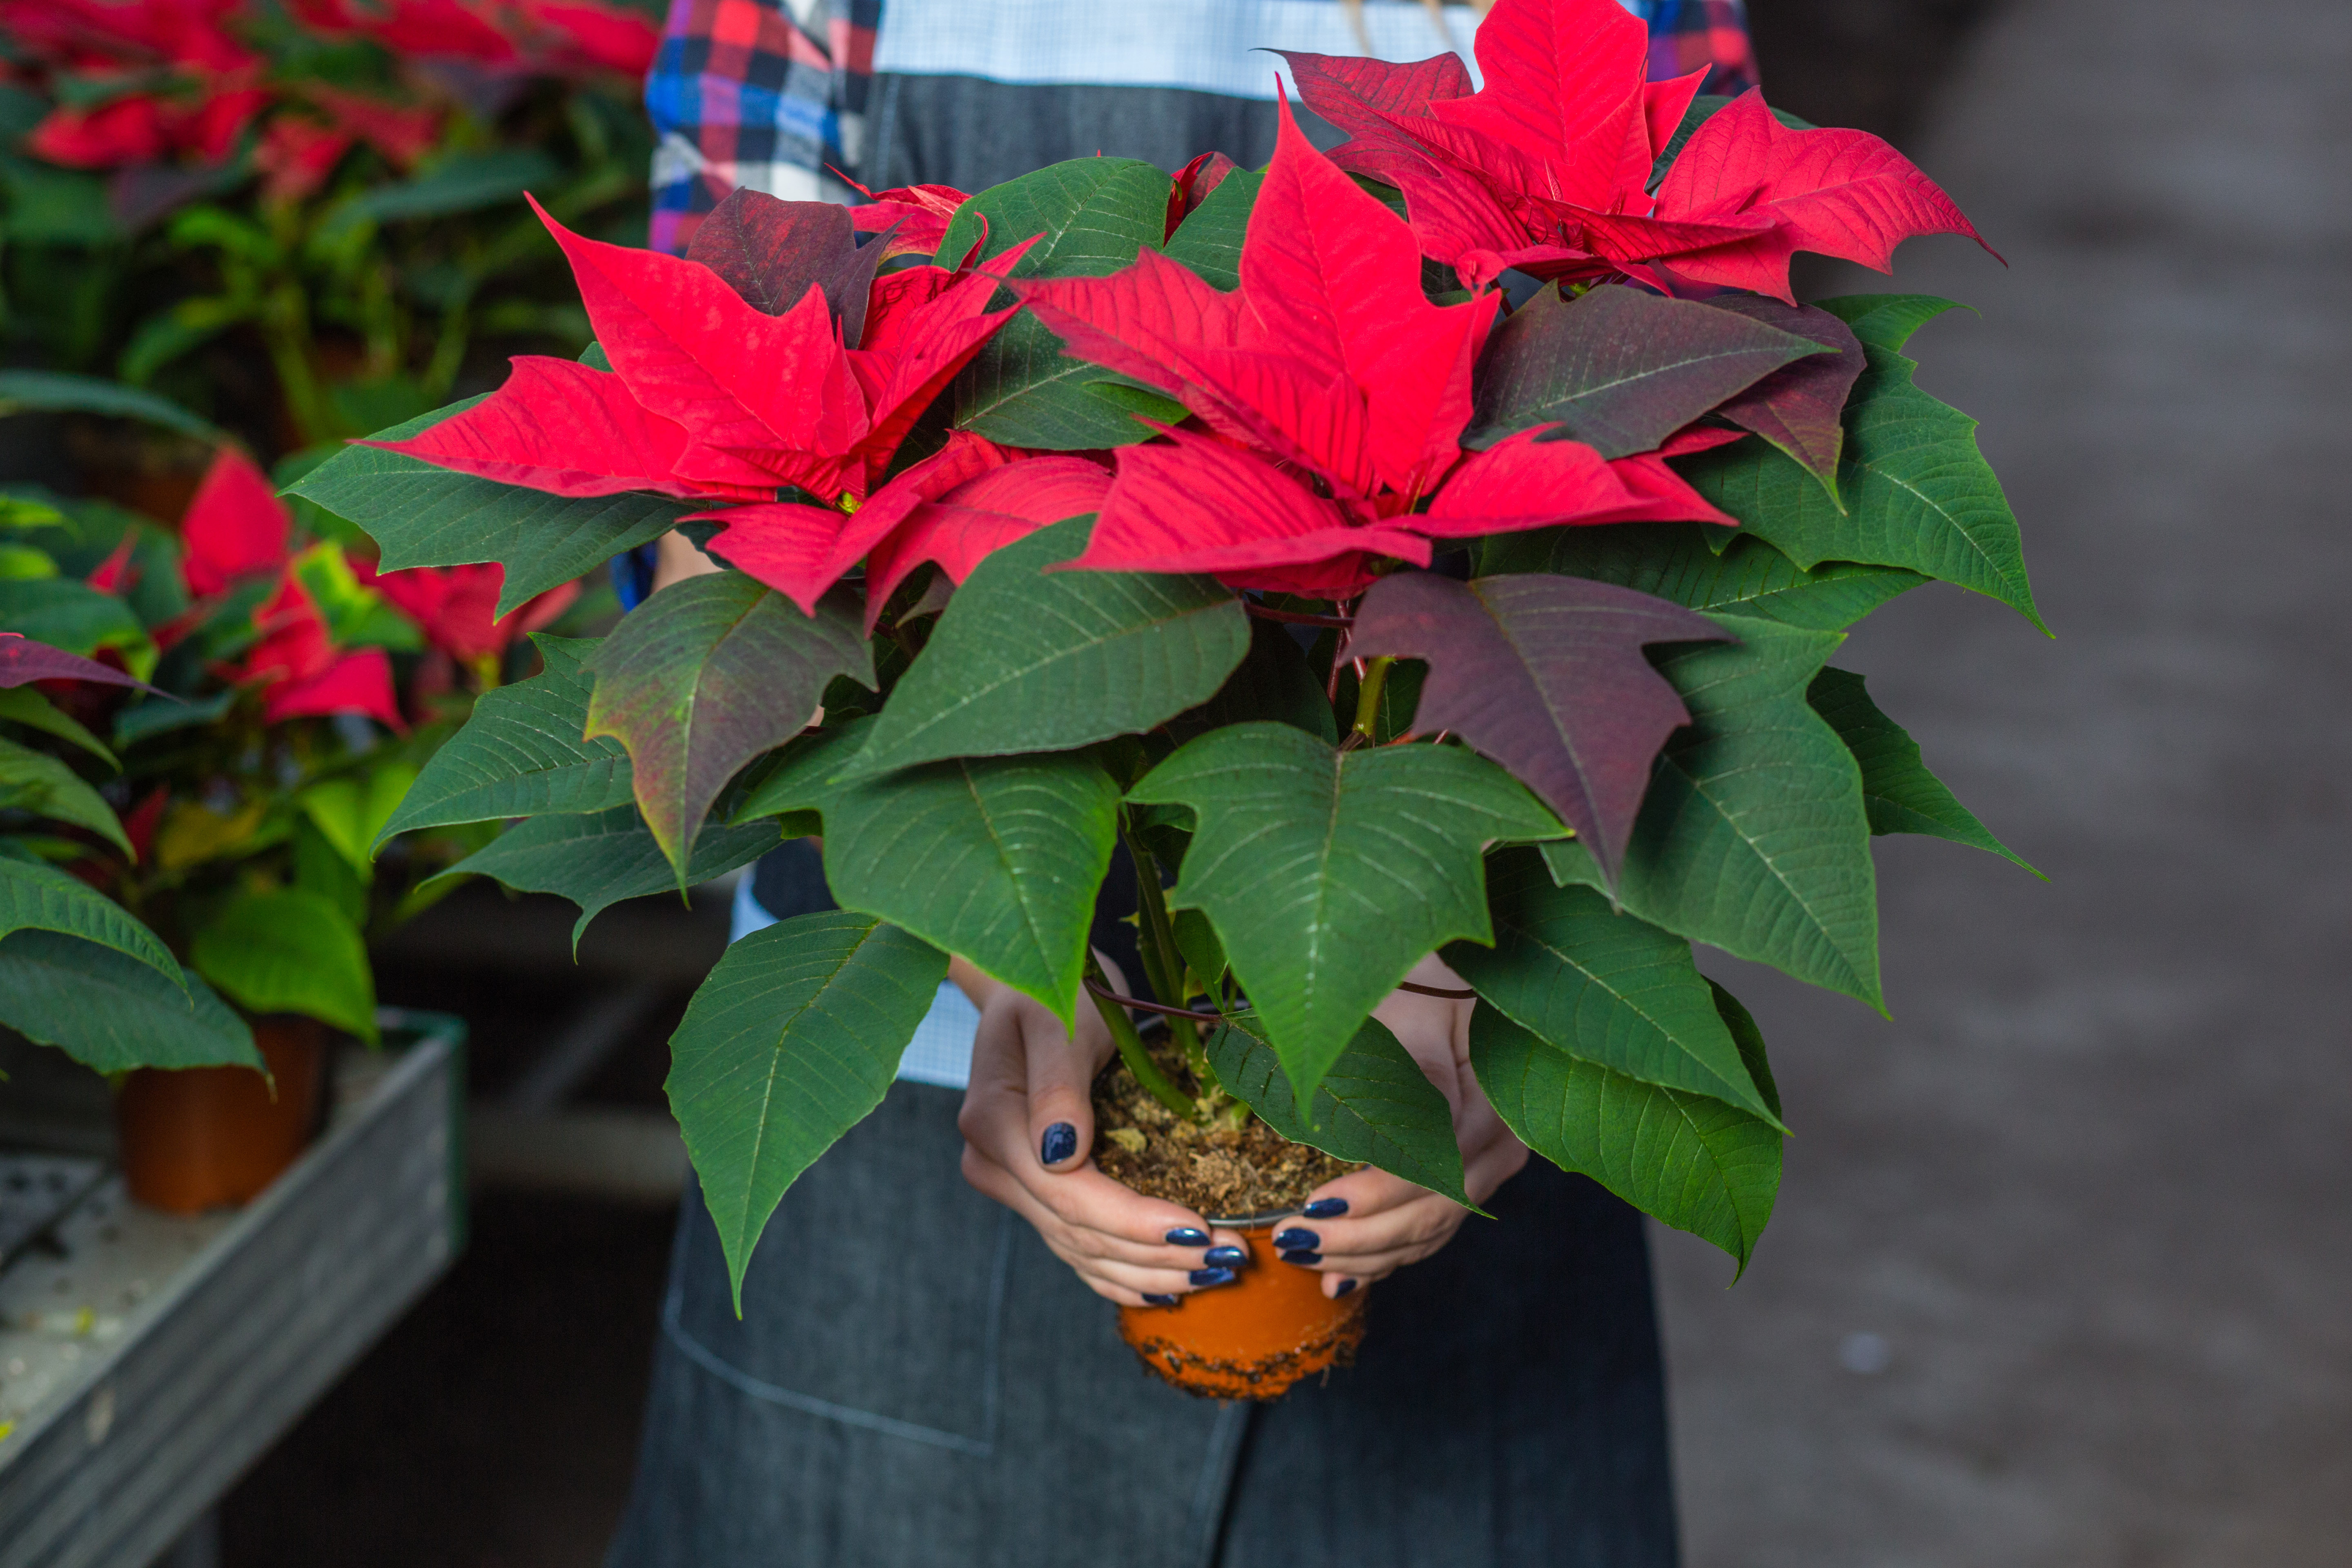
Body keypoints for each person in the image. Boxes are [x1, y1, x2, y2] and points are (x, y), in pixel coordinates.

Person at [604, 5, 1757, 1564]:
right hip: (908, 1111)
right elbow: (720, 525)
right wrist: (1013, 952)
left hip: (1457, 1110)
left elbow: (1715, 432)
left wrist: (1465, 963)